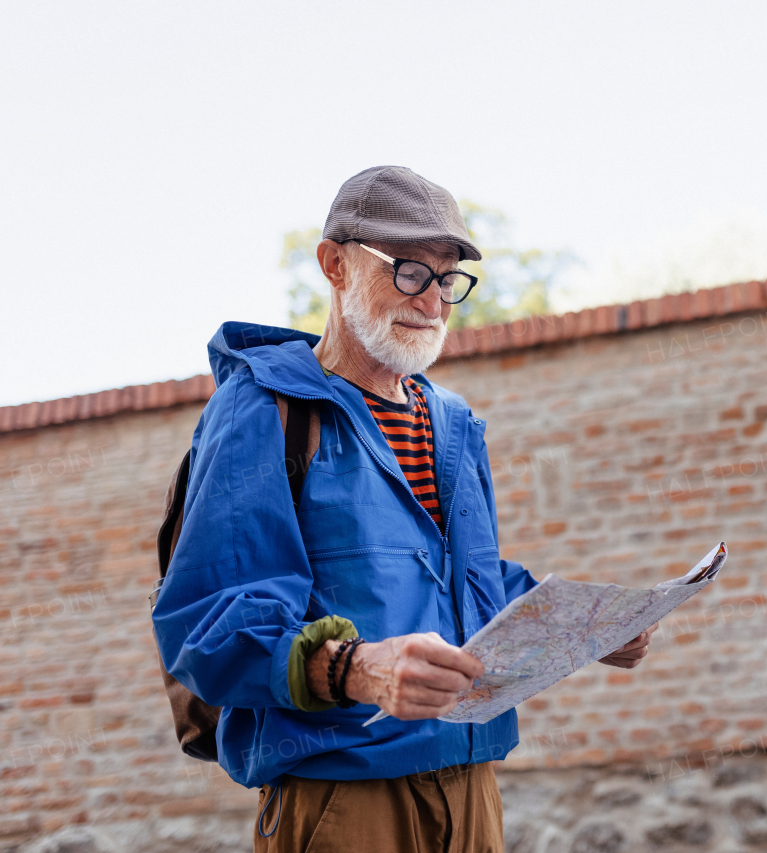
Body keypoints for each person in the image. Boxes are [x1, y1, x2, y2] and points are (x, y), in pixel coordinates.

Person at [152, 166, 657, 852]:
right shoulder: (260, 410)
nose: (433, 300)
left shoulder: (454, 423)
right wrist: (360, 669)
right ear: (334, 264)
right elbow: (207, 624)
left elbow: (468, 583)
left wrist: (589, 625)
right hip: (342, 799)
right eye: (410, 270)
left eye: (447, 278)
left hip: (473, 787)